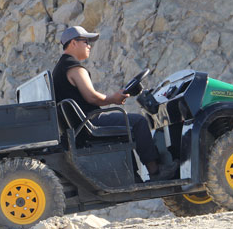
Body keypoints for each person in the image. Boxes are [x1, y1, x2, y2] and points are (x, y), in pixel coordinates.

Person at [52, 25, 178, 181]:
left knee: (126, 125)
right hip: (90, 123)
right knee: (138, 122)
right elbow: (92, 97)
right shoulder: (74, 68)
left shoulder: (59, 69)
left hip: (79, 126)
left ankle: (135, 176)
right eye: (86, 41)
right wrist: (114, 98)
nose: (89, 46)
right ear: (73, 43)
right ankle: (156, 171)